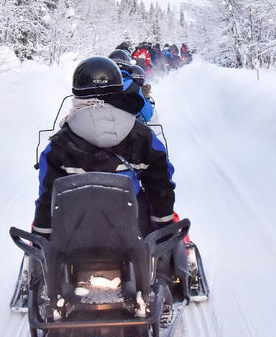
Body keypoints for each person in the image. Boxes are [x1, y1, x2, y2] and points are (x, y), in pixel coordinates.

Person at [31, 56, 176, 240]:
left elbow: (47, 196)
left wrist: (41, 238)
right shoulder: (143, 137)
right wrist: (164, 227)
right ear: (118, 89)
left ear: (77, 94)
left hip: (75, 238)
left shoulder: (60, 143)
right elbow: (160, 183)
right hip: (134, 234)